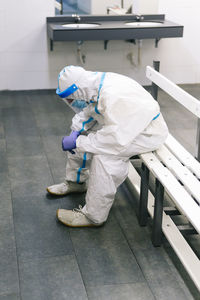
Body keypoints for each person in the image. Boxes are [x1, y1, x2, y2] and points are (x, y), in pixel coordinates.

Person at [47, 65, 168, 227]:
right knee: (83, 136)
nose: (70, 102)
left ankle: (93, 216)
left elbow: (113, 140)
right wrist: (76, 131)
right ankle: (76, 183)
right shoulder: (95, 85)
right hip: (125, 125)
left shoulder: (113, 96)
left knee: (104, 158)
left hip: (147, 132)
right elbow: (92, 110)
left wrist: (78, 142)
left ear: (78, 89)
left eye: (70, 98)